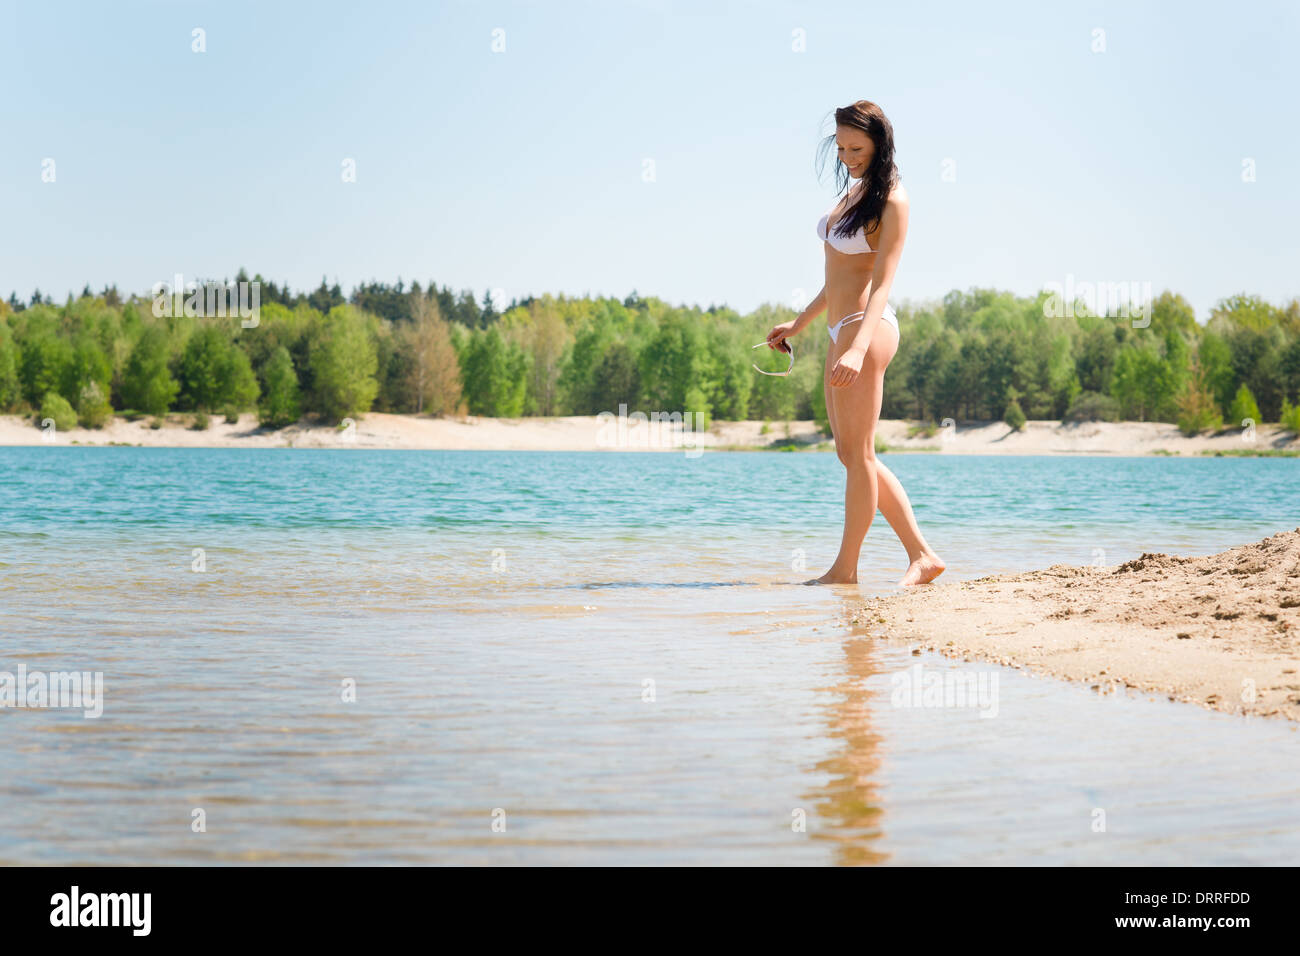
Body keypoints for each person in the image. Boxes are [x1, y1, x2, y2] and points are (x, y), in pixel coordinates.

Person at [764, 100, 944, 587]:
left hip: (867, 326)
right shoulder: (857, 192)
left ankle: (845, 570)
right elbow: (835, 277)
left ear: (880, 143)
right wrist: (799, 324)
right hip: (839, 328)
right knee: (852, 455)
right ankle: (922, 556)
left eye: (857, 147)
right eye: (841, 147)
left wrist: (859, 347)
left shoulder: (893, 200)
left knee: (859, 454)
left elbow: (882, 281)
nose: (847, 156)